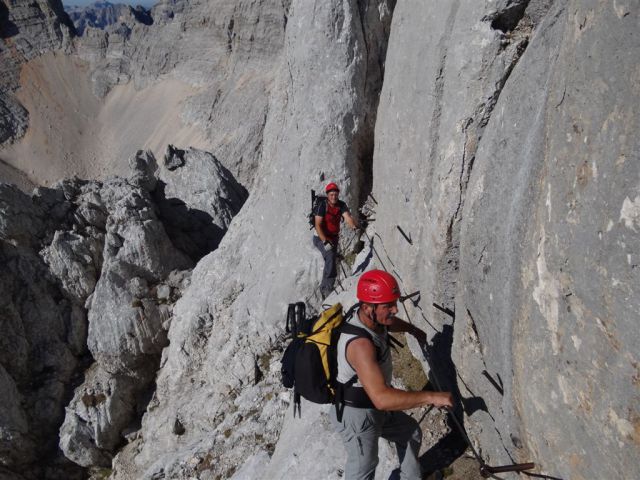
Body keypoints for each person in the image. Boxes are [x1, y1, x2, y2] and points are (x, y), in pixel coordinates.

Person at [331, 269, 454, 480]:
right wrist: (431, 397)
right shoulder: (360, 346)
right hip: (358, 416)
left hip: (371, 406)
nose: (395, 309)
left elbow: (388, 322)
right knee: (363, 468)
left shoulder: (370, 319)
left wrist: (412, 329)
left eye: (394, 303)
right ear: (368, 307)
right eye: (388, 305)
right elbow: (382, 398)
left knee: (410, 433)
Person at [312, 182, 359, 297]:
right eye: (331, 194)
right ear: (328, 195)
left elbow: (347, 217)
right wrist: (324, 241)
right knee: (330, 255)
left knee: (331, 257)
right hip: (320, 237)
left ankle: (326, 285)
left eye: (336, 194)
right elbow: (317, 225)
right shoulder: (322, 206)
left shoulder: (341, 205)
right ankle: (326, 287)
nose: (334, 197)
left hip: (333, 237)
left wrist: (353, 225)